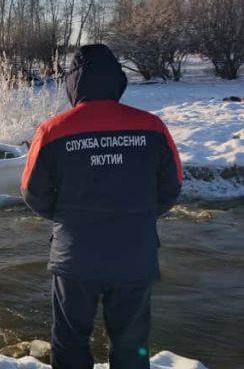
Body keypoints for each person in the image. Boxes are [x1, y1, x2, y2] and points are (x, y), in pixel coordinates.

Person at [21, 44, 182, 369]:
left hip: (74, 256)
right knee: (132, 345)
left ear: (72, 83)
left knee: (69, 343)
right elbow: (172, 187)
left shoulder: (52, 131)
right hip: (134, 256)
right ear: (117, 80)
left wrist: (67, 216)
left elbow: (32, 191)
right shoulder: (152, 127)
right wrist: (136, 216)